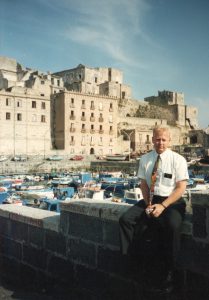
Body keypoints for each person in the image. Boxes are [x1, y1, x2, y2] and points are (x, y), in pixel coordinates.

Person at [119, 126, 189, 292]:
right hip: (151, 198)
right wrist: (149, 204)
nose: (161, 143)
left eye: (164, 139)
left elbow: (181, 188)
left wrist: (163, 206)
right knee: (125, 220)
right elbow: (143, 184)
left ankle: (170, 270)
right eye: (158, 139)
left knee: (171, 225)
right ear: (152, 140)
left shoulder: (178, 160)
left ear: (169, 141)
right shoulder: (145, 159)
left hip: (171, 200)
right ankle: (131, 261)